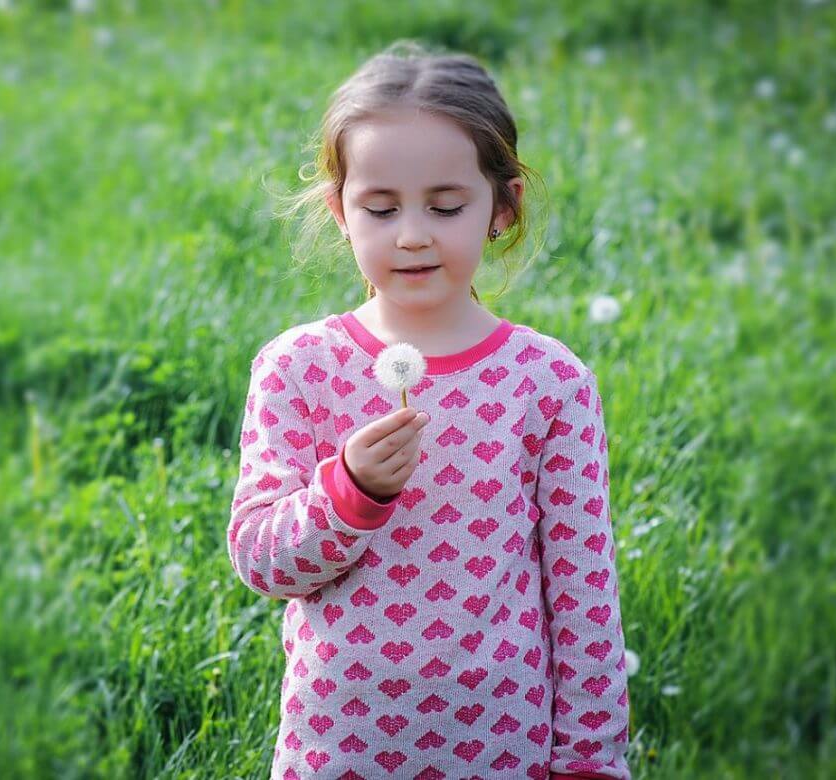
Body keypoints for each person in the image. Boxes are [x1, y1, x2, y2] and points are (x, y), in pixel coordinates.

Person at [226, 40, 632, 779]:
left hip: (505, 751)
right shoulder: (298, 369)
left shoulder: (548, 382)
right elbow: (261, 561)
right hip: (340, 747)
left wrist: (590, 760)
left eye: (446, 206)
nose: (412, 234)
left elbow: (585, 596)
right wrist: (349, 491)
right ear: (340, 213)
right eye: (380, 208)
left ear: (502, 208)